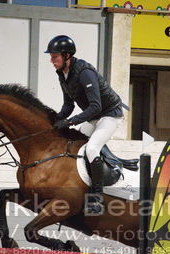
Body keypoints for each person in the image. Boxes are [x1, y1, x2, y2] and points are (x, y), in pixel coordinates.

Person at [45, 35, 126, 214]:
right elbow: (68, 105)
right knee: (75, 141)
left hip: (110, 115)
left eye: (54, 56)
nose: (51, 60)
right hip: (94, 117)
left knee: (91, 149)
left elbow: (96, 106)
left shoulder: (84, 72)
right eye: (51, 56)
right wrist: (56, 120)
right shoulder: (62, 73)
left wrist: (71, 121)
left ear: (67, 56)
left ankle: (97, 198)